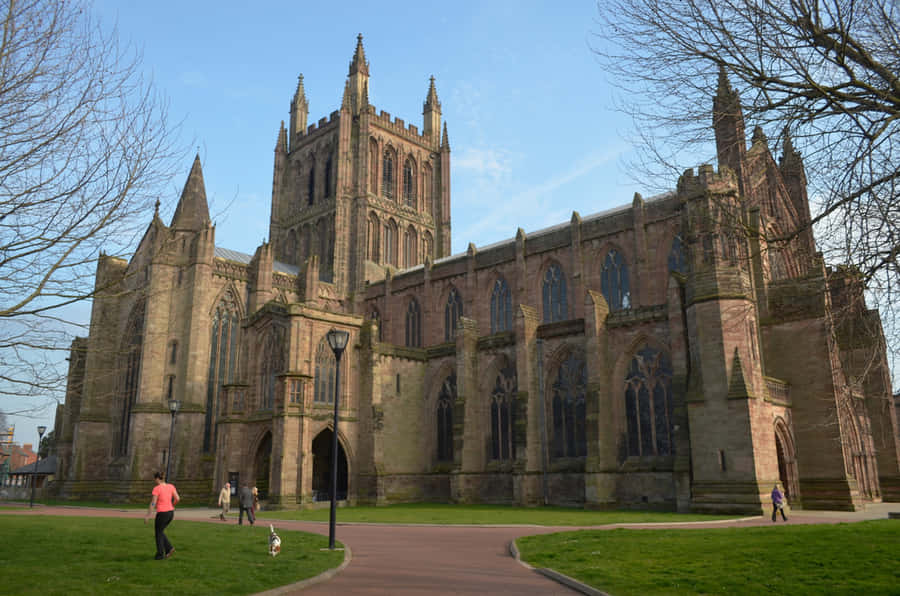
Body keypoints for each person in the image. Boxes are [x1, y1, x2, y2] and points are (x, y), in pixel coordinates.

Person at [144, 471, 180, 559]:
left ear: (157, 479)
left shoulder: (157, 488)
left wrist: (148, 515)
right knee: (160, 532)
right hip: (170, 513)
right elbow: (178, 498)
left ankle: (160, 554)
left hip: (162, 513)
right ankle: (169, 549)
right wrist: (172, 505)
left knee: (158, 533)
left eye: (155, 479)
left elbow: (153, 503)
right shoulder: (171, 486)